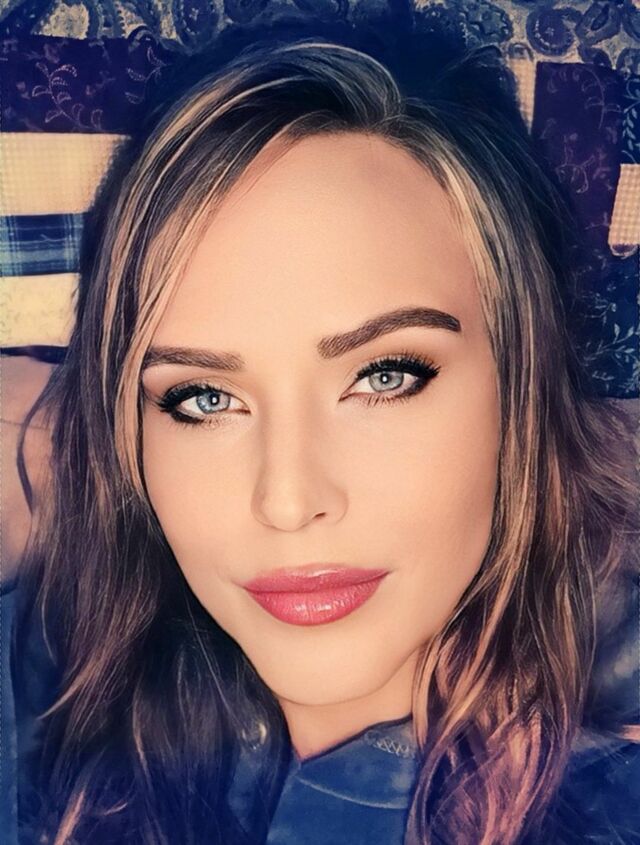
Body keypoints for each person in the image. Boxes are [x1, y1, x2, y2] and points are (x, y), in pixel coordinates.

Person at [9, 31, 640, 845]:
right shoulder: (37, 710)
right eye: (204, 397)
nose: (287, 499)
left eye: (384, 375)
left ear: (522, 387)